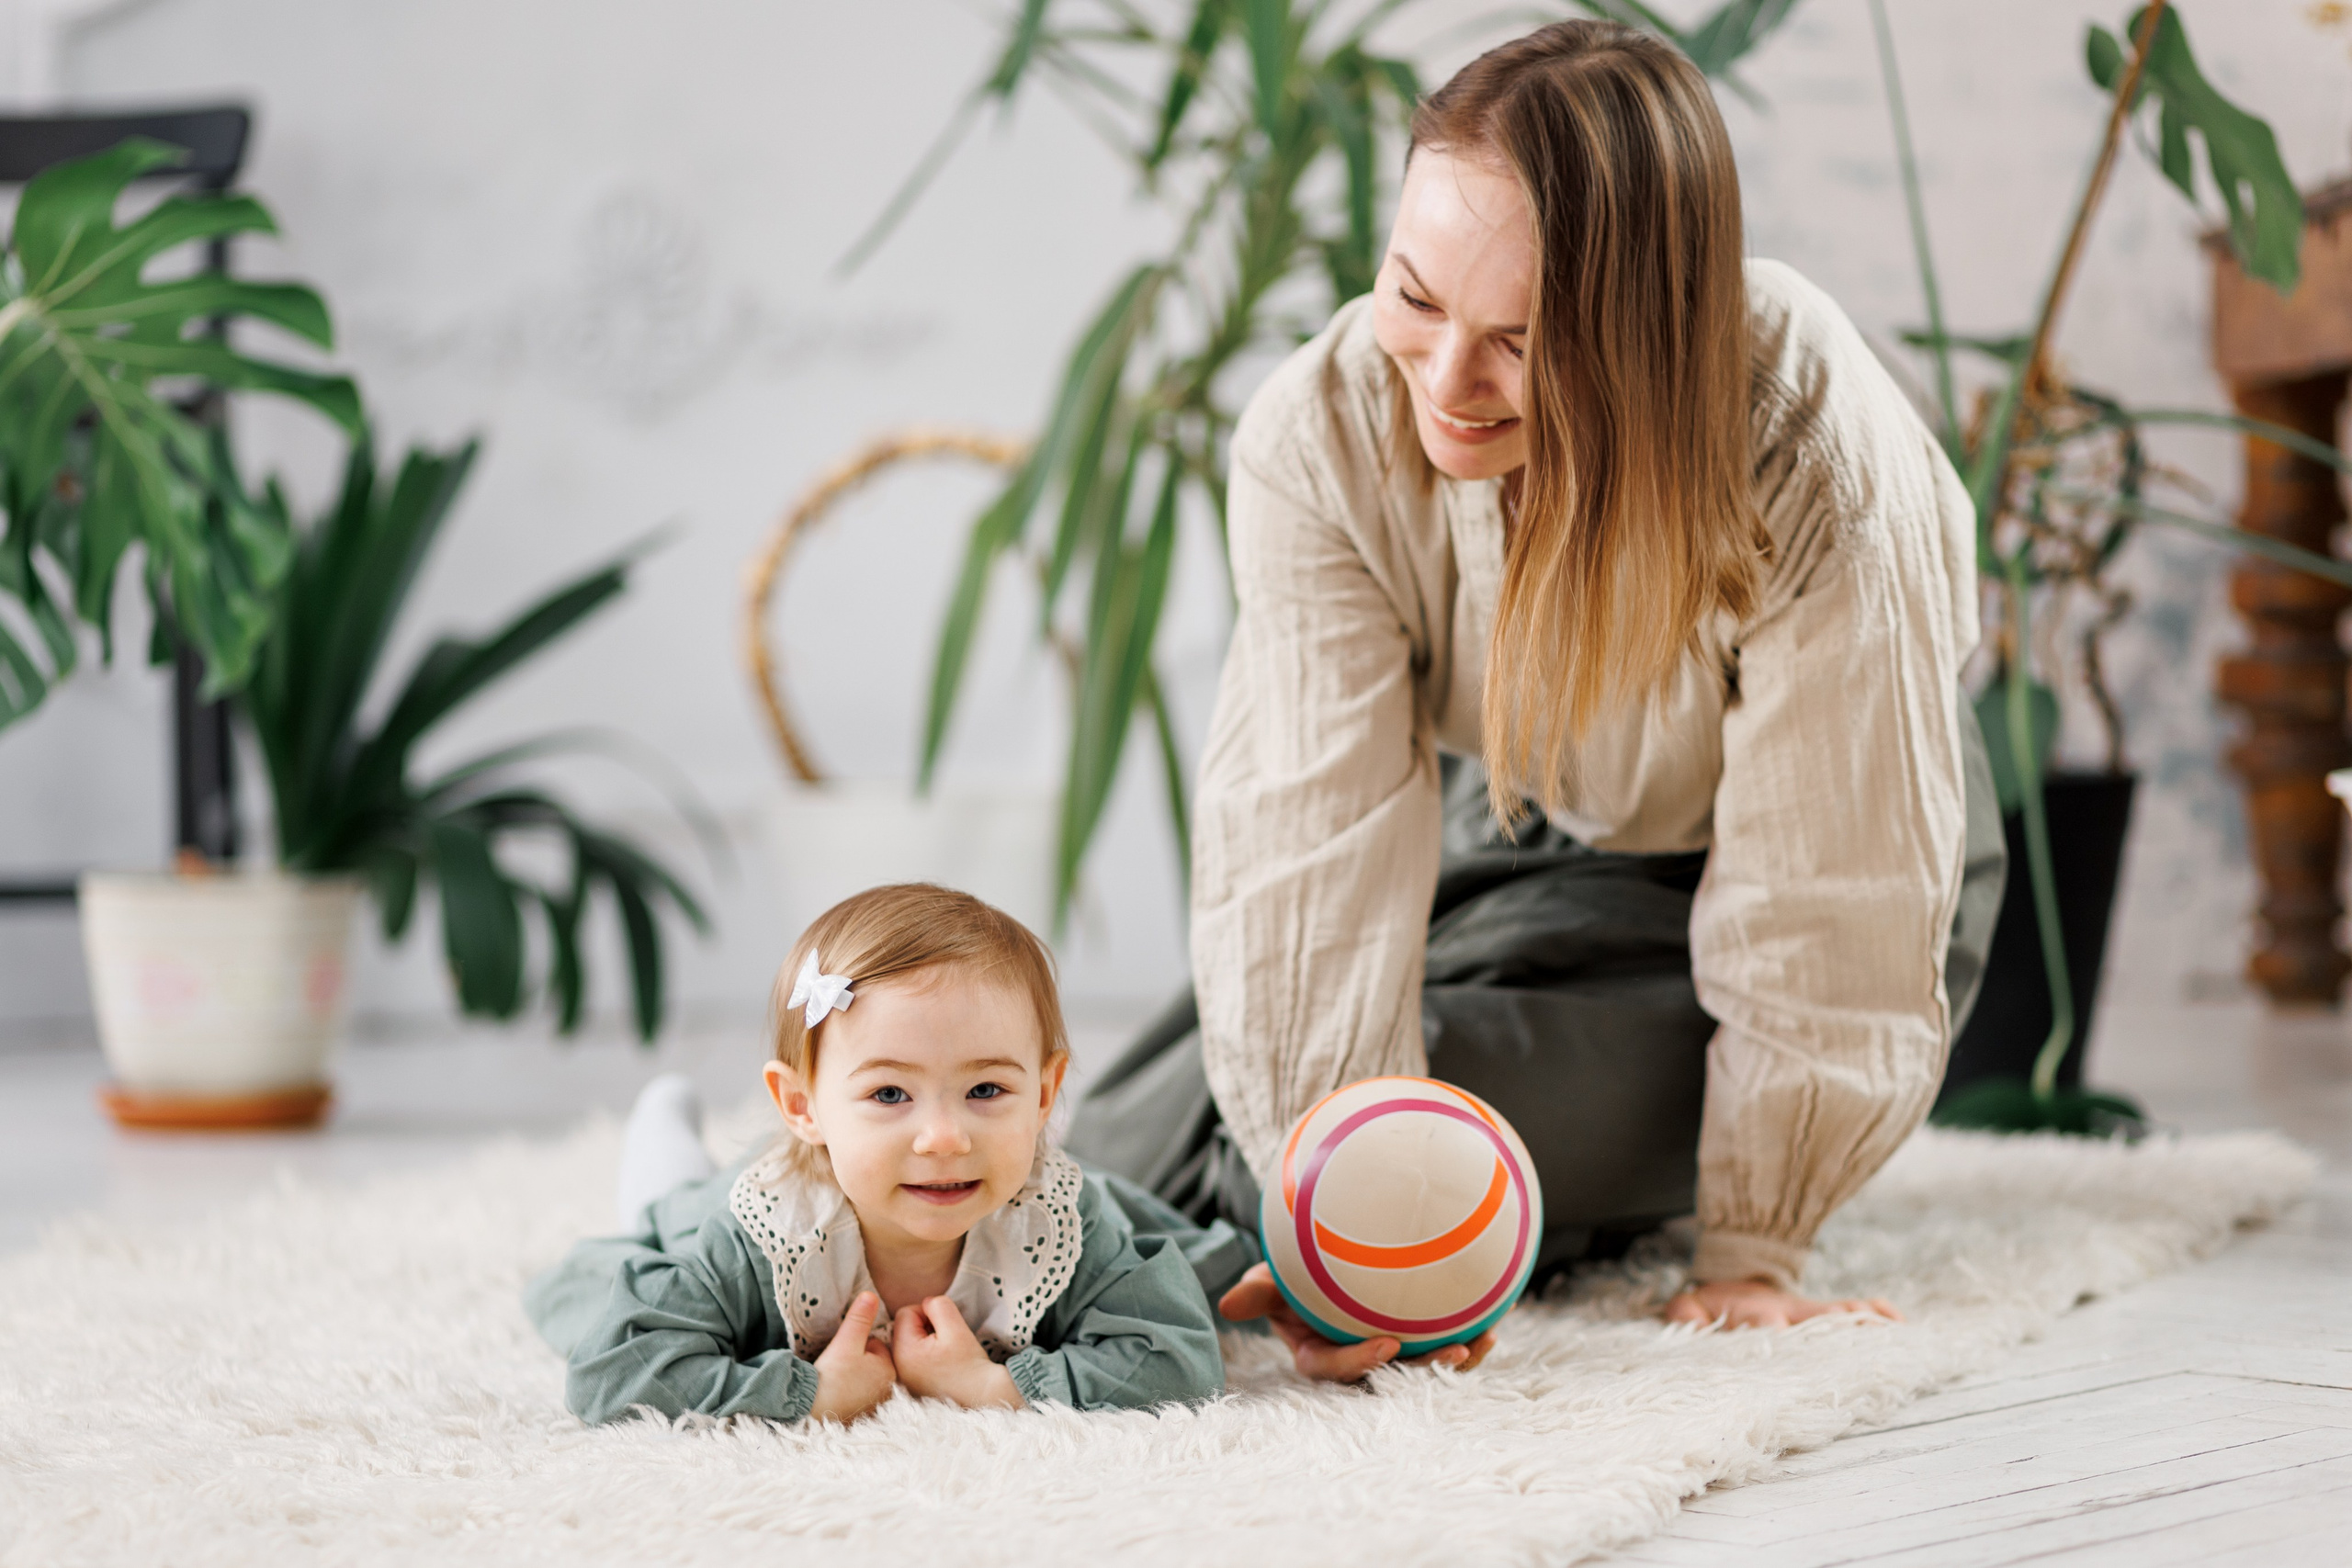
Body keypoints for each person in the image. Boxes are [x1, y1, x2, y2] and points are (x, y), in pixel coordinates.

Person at [1068, 19, 2005, 1380]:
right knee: (1158, 1119)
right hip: (1511, 813)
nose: (1448, 382)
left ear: (1652, 331)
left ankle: (1181, 1246)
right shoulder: (1316, 435)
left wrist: (1752, 1249)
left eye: (1524, 339)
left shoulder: (1806, 433)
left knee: (1433, 1130)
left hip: (1825, 854)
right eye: (1414, 297)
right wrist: (1331, 1210)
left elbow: (1837, 878)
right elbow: (1305, 846)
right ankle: (853, 1232)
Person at [526, 884, 1243, 1425]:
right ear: (803, 1106)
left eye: (987, 1088)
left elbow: (1179, 1358)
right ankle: (664, 1128)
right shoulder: (761, 1235)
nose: (945, 1137)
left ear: (1045, 1093)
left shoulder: (1055, 1221)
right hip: (733, 1200)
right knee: (661, 1211)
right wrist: (810, 1394)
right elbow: (615, 1372)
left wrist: (995, 1386)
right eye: (891, 1093)